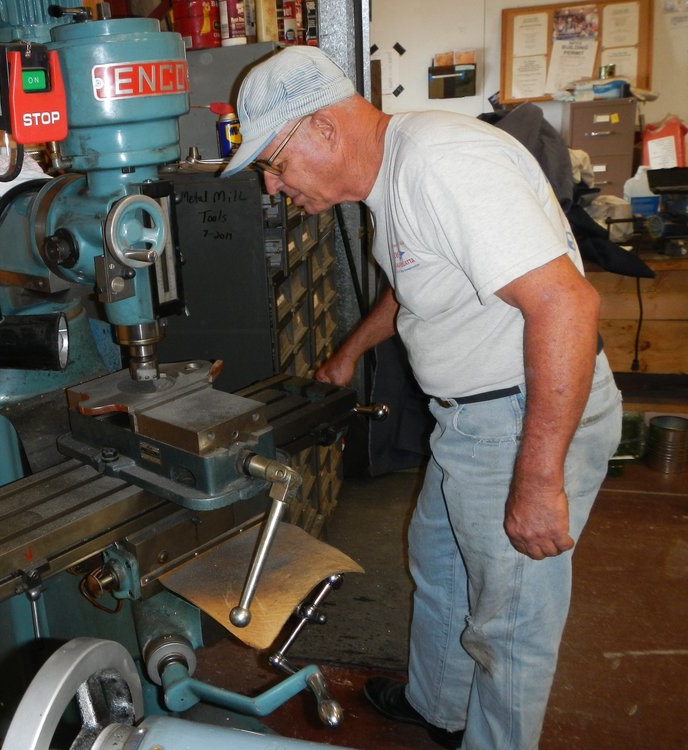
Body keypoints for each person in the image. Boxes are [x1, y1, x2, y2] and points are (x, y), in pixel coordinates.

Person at [222, 46, 622, 750]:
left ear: (322, 127)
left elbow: (566, 306)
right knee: (437, 563)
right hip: (472, 420)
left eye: (276, 165)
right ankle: (439, 706)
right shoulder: (395, 174)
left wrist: (537, 480)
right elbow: (417, 284)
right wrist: (348, 353)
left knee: (510, 625)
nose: (276, 187)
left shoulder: (442, 165)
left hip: (521, 416)